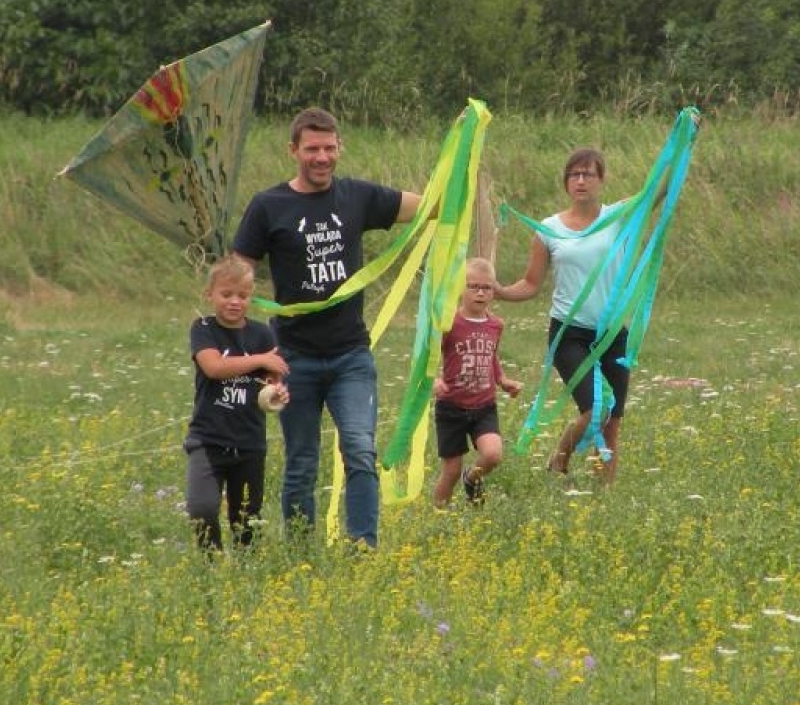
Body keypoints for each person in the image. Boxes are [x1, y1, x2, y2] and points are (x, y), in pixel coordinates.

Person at [230, 107, 422, 547]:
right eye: (312, 148)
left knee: (358, 448)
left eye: (329, 148)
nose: (322, 157)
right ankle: (301, 550)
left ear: (340, 148)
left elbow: (426, 207)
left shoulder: (357, 197)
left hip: (351, 356)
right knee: (301, 461)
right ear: (293, 150)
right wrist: (249, 345)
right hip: (293, 357)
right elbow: (238, 274)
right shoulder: (268, 206)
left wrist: (460, 178)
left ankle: (362, 546)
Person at [495, 146, 636, 483]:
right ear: (566, 183)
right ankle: (561, 454)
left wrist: (683, 142)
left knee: (612, 421)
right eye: (575, 174)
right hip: (569, 335)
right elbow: (530, 284)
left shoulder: (618, 217)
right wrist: (498, 291)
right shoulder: (548, 228)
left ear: (601, 180)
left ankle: (605, 496)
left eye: (589, 174)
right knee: (596, 410)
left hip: (613, 334)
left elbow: (657, 191)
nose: (581, 180)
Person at [184, 257, 289, 551]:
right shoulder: (203, 328)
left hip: (249, 443)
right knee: (202, 508)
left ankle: (246, 573)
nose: (234, 302)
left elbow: (272, 379)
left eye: (242, 296)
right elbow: (214, 367)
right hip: (208, 440)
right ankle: (211, 564)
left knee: (246, 520)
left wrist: (277, 394)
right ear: (210, 294)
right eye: (226, 294)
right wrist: (259, 359)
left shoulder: (262, 334)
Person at [431, 257, 522, 507]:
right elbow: (427, 357)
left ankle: (471, 479)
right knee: (450, 470)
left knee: (493, 455)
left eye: (487, 287)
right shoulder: (449, 323)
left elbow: (491, 354)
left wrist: (503, 380)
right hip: (451, 407)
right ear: (460, 288)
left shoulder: (495, 325)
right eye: (474, 286)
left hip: (484, 406)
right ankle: (438, 517)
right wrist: (435, 379)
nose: (481, 293)